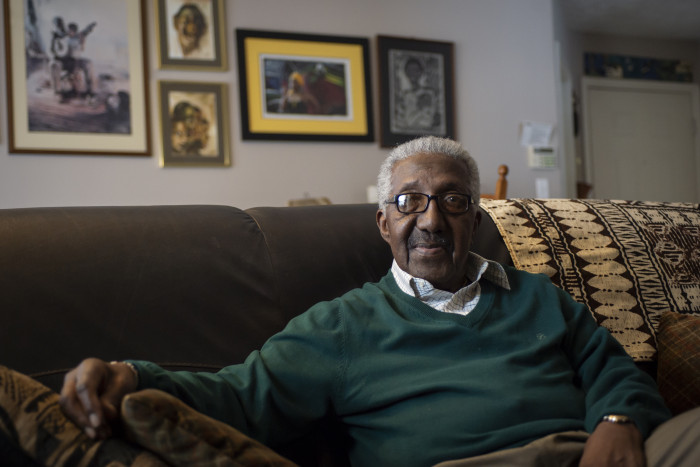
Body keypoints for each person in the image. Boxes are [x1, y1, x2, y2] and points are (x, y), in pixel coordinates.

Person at [22, 137, 700, 465]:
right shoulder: (343, 324)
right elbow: (242, 393)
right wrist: (133, 374)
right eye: (409, 201)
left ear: (474, 218)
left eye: (453, 201)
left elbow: (609, 362)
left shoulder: (537, 296)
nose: (431, 219)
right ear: (384, 223)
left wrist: (619, 415)